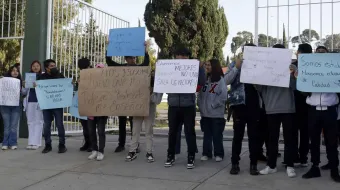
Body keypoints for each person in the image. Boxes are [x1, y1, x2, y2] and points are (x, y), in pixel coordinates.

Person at [257, 44, 297, 178]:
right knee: (272, 139)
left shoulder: (292, 68)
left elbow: (297, 87)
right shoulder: (266, 68)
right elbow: (259, 88)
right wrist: (254, 77)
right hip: (271, 108)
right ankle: (271, 165)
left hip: (288, 108)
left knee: (289, 139)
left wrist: (293, 75)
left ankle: (290, 166)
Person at [301, 46, 340, 182]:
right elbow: (303, 90)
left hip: (330, 110)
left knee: (332, 141)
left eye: (323, 52)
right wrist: (298, 78)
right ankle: (315, 167)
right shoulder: (309, 69)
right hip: (313, 110)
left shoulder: (335, 69)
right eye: (318, 53)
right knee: (314, 141)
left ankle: (334, 168)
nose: (320, 55)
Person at [164, 47, 206, 169]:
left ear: (188, 57)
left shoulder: (193, 67)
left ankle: (191, 156)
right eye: (179, 55)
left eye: (184, 56)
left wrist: (200, 68)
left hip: (188, 105)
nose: (181, 58)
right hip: (173, 105)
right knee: (172, 132)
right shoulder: (169, 67)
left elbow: (201, 82)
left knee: (189, 132)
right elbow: (162, 81)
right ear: (175, 56)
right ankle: (170, 155)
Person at [106, 42, 149, 153]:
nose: (133, 60)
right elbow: (109, 62)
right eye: (131, 58)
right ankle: (121, 144)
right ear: (126, 59)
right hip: (122, 99)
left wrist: (146, 50)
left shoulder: (139, 68)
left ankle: (135, 144)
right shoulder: (121, 68)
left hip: (134, 99)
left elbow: (146, 62)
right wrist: (109, 47)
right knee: (122, 122)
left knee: (134, 124)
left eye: (134, 58)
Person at [226, 43, 262, 175]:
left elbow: (262, 88)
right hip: (239, 106)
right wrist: (236, 67)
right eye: (247, 51)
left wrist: (256, 81)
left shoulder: (259, 66)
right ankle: (234, 163)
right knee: (237, 137)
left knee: (254, 137)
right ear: (243, 52)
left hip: (253, 106)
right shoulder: (234, 64)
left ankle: (254, 164)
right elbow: (226, 81)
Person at [126, 71, 163, 162]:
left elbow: (157, 101)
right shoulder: (138, 84)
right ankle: (132, 151)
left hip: (149, 110)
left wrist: (151, 93)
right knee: (135, 130)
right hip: (138, 110)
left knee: (148, 131)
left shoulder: (158, 87)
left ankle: (149, 152)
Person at [198, 59, 227, 162]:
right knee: (207, 135)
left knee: (217, 135)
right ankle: (206, 153)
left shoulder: (220, 80)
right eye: (206, 65)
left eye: (209, 65)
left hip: (216, 115)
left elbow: (223, 96)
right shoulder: (205, 79)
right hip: (205, 114)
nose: (207, 66)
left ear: (214, 66)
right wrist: (200, 106)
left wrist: (213, 105)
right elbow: (200, 94)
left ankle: (219, 154)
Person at [38, 59, 67, 154]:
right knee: (47, 125)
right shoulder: (41, 77)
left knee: (59, 124)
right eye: (51, 66)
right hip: (46, 105)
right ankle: (48, 145)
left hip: (57, 105)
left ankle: (62, 145)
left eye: (54, 65)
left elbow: (66, 86)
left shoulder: (60, 75)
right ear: (47, 68)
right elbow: (38, 88)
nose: (54, 67)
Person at [291, 43, 312, 167]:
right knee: (292, 132)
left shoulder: (312, 67)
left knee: (305, 133)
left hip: (307, 104)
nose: (298, 54)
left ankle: (303, 157)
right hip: (293, 103)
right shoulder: (293, 66)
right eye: (299, 52)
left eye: (300, 52)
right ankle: (294, 157)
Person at [87, 63, 108, 161]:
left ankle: (101, 151)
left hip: (102, 112)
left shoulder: (107, 83)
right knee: (91, 131)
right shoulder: (90, 81)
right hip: (91, 112)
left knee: (100, 132)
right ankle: (94, 150)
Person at [22, 61, 44, 150]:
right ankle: (31, 142)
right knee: (30, 122)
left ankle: (37, 143)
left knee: (38, 122)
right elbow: (24, 92)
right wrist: (23, 86)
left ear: (40, 67)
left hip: (39, 102)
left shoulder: (43, 77)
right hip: (30, 101)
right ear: (31, 67)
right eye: (33, 66)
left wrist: (38, 86)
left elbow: (45, 89)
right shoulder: (29, 77)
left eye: (37, 66)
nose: (35, 67)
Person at [1, 66, 22, 150]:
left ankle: (13, 143)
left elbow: (24, 93)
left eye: (17, 71)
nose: (15, 72)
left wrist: (22, 88)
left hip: (16, 106)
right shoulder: (3, 81)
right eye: (13, 70)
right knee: (7, 126)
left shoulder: (20, 82)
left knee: (13, 126)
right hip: (4, 106)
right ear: (10, 72)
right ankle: (5, 143)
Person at [76, 58, 93, 152]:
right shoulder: (81, 75)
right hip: (82, 102)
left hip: (91, 103)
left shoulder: (94, 73)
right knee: (84, 125)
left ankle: (92, 144)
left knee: (90, 126)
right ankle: (87, 143)